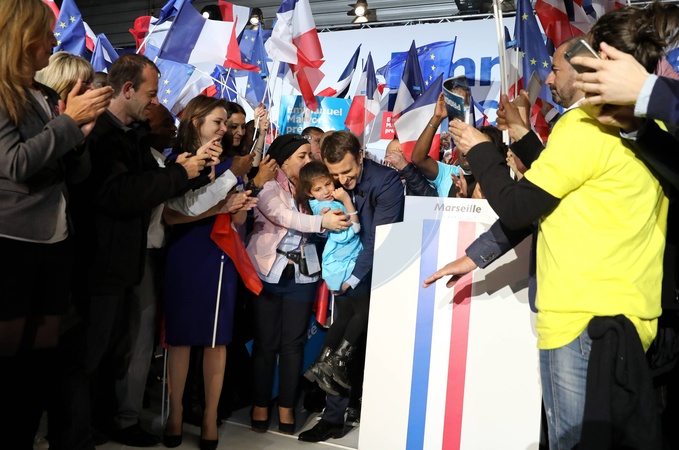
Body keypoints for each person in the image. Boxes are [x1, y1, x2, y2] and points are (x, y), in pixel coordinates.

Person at [425, 33, 669, 450]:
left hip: (577, 320)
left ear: (589, 67)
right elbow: (556, 195)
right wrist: (476, 256)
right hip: (630, 317)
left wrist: (481, 151)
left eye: (556, 69)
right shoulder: (651, 130)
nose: (549, 78)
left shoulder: (582, 126)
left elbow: (520, 206)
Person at [50, 53, 208, 450]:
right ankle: (72, 437)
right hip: (95, 266)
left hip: (121, 265)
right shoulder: (99, 133)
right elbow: (117, 195)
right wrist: (179, 174)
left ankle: (97, 427)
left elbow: (148, 183)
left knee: (107, 356)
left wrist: (188, 173)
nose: (155, 102)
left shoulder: (129, 133)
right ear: (127, 89)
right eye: (151, 94)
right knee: (84, 361)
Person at [0, 1, 112, 447]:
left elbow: (73, 173)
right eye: (46, 33)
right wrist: (69, 122)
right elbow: (16, 164)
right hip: (13, 244)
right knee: (10, 367)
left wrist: (78, 138)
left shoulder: (43, 95)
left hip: (55, 242)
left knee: (40, 366)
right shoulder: (3, 92)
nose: (54, 40)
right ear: (23, 37)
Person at [161, 95, 258, 450]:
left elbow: (238, 217)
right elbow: (173, 215)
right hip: (184, 253)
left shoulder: (233, 164)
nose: (224, 130)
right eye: (218, 122)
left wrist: (238, 206)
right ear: (195, 122)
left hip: (220, 256)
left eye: (226, 124)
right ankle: (175, 413)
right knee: (180, 339)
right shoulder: (178, 162)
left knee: (217, 341)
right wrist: (220, 204)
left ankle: (209, 417)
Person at [299, 130, 405, 442]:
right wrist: (325, 225)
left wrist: (353, 278)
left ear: (360, 156)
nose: (342, 181)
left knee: (358, 344)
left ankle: (368, 411)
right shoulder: (330, 184)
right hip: (344, 271)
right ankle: (333, 416)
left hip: (376, 272)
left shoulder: (385, 182)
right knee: (341, 340)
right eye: (335, 175)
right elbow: (326, 226)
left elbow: (378, 239)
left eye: (347, 172)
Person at [246, 134, 351, 435]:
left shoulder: (311, 189)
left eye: (309, 155)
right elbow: (283, 216)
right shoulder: (269, 185)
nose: (308, 160)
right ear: (284, 160)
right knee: (265, 343)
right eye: (302, 156)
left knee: (293, 345)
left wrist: (328, 215)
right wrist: (321, 222)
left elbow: (324, 225)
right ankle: (260, 404)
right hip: (267, 272)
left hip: (303, 276)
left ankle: (287, 406)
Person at [109, 103, 177, 447]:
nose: (173, 131)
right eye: (166, 125)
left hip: (156, 255)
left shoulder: (163, 162)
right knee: (136, 341)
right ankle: (125, 419)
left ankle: (124, 413)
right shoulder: (146, 163)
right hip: (139, 257)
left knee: (139, 341)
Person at [295, 161, 364, 394]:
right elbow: (354, 230)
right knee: (362, 313)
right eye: (318, 188)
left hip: (336, 266)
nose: (325, 190)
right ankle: (336, 361)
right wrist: (346, 200)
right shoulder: (330, 207)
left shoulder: (318, 206)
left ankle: (320, 364)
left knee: (344, 316)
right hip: (343, 267)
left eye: (327, 184)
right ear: (309, 192)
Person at [409, 93, 465, 196]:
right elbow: (418, 159)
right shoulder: (447, 173)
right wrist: (437, 118)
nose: (466, 152)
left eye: (471, 146)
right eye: (463, 145)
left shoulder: (491, 178)